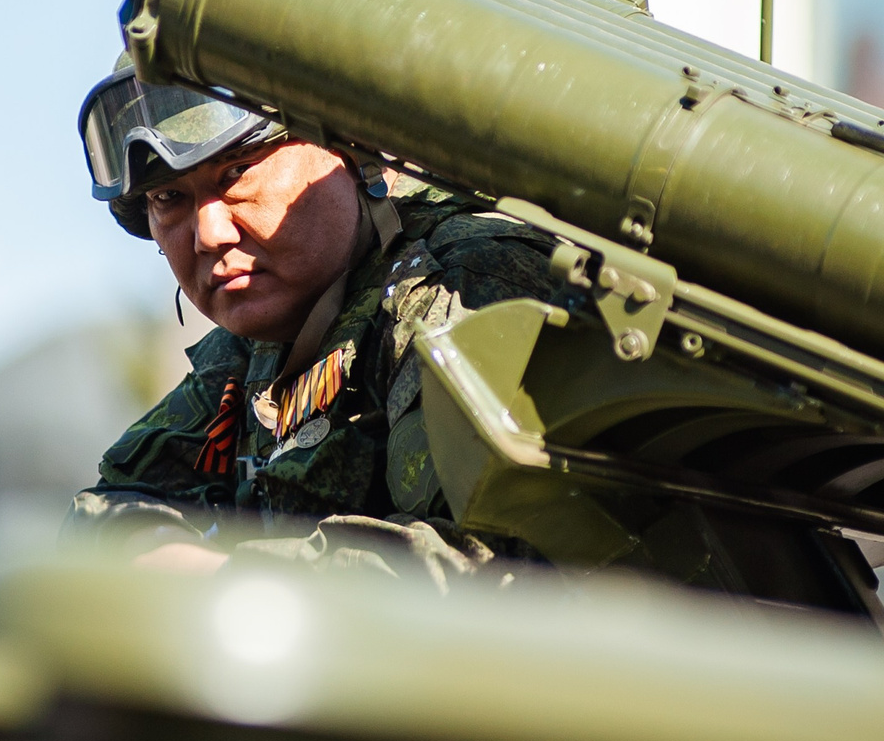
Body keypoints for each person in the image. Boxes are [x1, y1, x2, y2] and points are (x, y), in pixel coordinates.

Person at [70, 55, 565, 582]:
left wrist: (230, 580)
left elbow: (497, 570)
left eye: (238, 171)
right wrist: (154, 546)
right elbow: (115, 502)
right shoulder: (251, 349)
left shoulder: (457, 281)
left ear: (346, 151)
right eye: (169, 198)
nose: (208, 234)